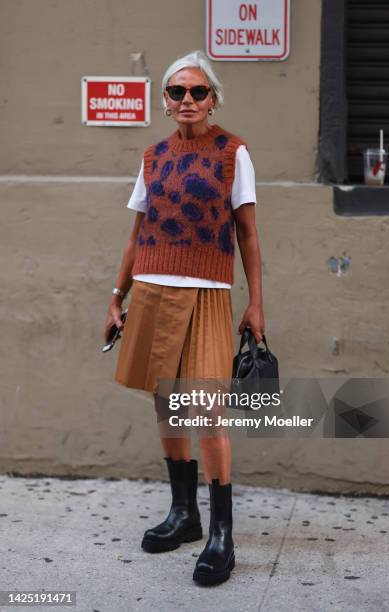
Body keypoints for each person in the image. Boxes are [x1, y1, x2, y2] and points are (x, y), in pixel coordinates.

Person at [104, 50, 264, 586]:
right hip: (151, 288)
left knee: (207, 410)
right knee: (166, 403)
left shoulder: (232, 153)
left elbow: (248, 234)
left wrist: (256, 303)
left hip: (208, 292)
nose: (188, 100)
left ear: (213, 96)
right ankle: (184, 515)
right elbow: (136, 234)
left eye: (198, 91)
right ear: (166, 102)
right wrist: (116, 296)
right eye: (177, 92)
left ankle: (223, 535)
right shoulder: (152, 157)